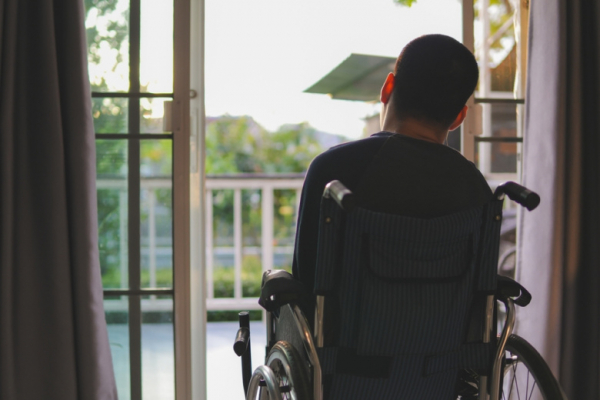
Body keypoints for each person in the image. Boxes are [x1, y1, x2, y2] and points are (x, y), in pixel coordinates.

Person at [292, 34, 492, 317]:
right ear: (459, 117)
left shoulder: (332, 172)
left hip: (344, 345)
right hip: (448, 345)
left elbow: (305, 282)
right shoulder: (474, 187)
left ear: (387, 88)